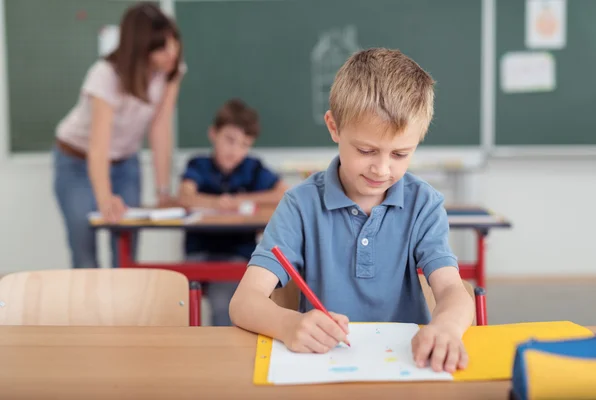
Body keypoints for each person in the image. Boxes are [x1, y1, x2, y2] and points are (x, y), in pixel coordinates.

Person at [229, 48, 474, 373]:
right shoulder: (300, 205)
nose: (382, 169)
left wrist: (446, 327)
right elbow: (244, 301)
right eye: (366, 150)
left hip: (406, 369)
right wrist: (288, 325)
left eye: (400, 154)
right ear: (334, 126)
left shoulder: (423, 205)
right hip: (323, 368)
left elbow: (452, 291)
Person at [53, 2, 185, 269]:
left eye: (173, 41)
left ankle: (123, 311)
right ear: (140, 49)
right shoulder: (105, 76)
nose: (171, 52)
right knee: (84, 249)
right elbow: (98, 146)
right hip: (77, 161)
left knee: (126, 249)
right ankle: (89, 311)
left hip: (125, 162)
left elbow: (160, 128)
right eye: (161, 47)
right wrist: (105, 197)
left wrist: (163, 190)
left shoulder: (171, 72)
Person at [178, 98, 287, 326]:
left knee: (223, 302)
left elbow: (282, 192)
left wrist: (238, 200)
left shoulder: (253, 167)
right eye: (230, 140)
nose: (236, 150)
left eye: (245, 144)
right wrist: (220, 203)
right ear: (213, 134)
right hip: (199, 252)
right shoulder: (198, 165)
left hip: (238, 253)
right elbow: (186, 197)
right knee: (178, 302)